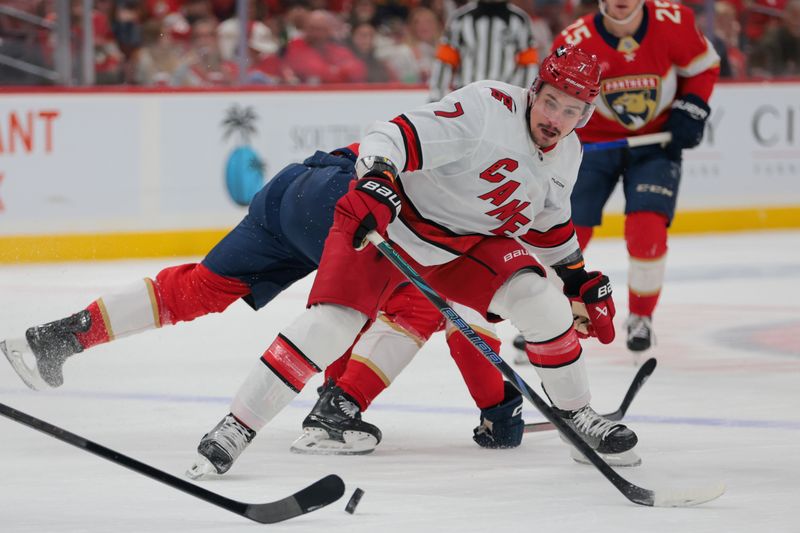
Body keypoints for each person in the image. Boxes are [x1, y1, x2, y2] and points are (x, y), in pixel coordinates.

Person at [186, 45, 640, 480]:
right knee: (333, 325)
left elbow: (549, 221)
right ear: (535, 90)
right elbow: (391, 135)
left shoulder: (570, 151)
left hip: (459, 245)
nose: (555, 119)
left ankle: (577, 416)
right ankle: (235, 427)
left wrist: (575, 275)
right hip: (390, 219)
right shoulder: (486, 108)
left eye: (571, 111)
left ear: (585, 115)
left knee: (537, 295)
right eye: (551, 102)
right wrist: (378, 178)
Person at [1, 145, 514, 462]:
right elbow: (470, 321)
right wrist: (498, 406)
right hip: (344, 201)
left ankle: (59, 337)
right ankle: (335, 413)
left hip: (294, 186)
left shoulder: (444, 138)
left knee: (198, 288)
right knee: (411, 303)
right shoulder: (498, 204)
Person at [545, 0, 720, 356]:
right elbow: (554, 95)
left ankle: (641, 317)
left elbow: (704, 66)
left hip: (656, 143)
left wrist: (693, 104)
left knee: (647, 229)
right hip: (594, 144)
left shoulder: (675, 21)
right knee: (569, 229)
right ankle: (545, 314)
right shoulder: (575, 40)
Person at [428, 0, 540, 101]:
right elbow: (444, 61)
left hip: (505, 99)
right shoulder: (459, 18)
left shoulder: (520, 20)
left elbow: (529, 64)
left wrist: (526, 99)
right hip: (466, 97)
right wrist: (436, 96)